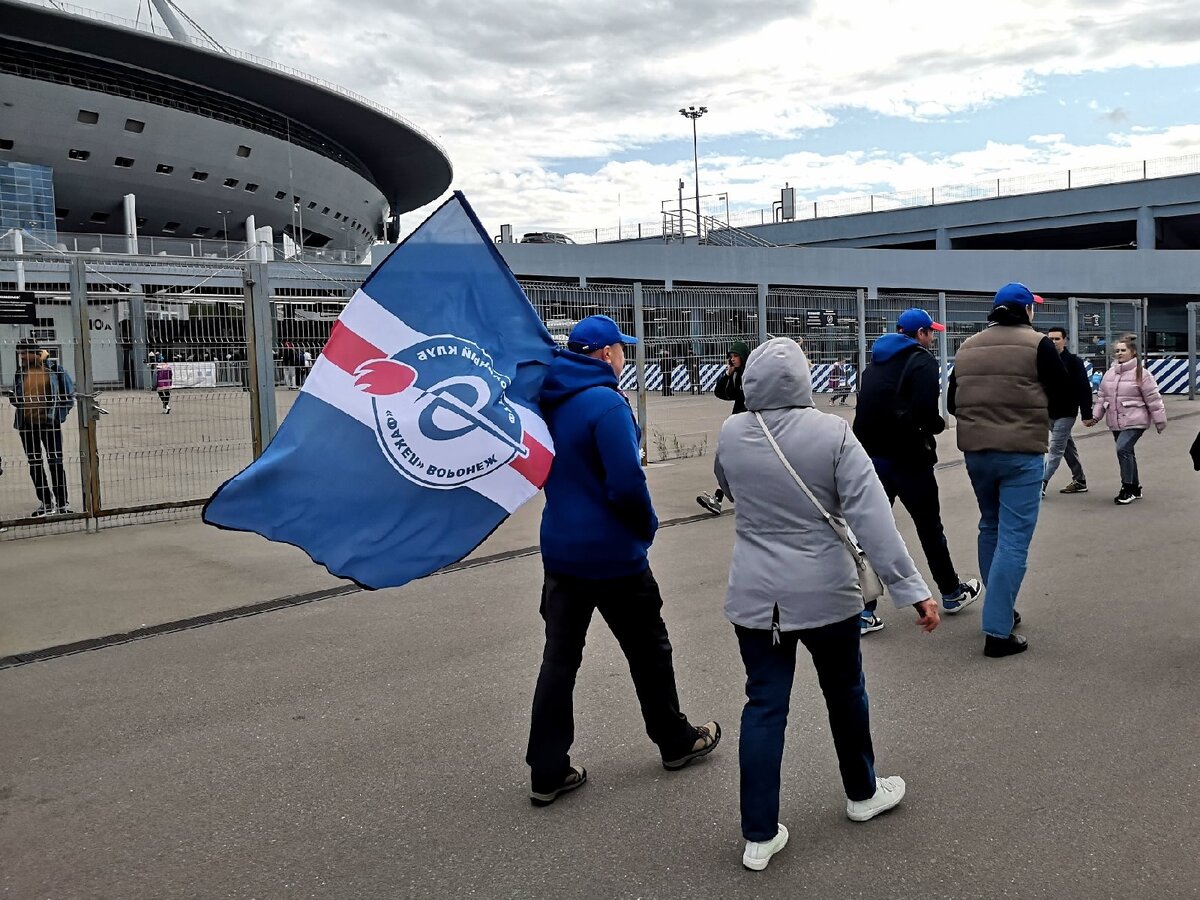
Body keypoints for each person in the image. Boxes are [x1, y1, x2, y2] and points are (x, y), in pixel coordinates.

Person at [715, 337, 939, 872]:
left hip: (755, 597)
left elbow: (726, 484)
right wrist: (913, 590)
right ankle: (862, 794)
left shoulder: (731, 432)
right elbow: (872, 520)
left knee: (764, 706)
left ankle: (758, 835)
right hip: (825, 594)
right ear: (802, 381)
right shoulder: (834, 433)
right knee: (845, 692)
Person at [526, 315, 720, 807]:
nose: (624, 357)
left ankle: (547, 769)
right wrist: (646, 527)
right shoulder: (607, 404)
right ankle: (675, 740)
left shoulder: (549, 401)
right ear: (606, 353)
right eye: (621, 349)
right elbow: (627, 483)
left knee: (559, 660)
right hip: (614, 555)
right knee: (648, 651)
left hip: (563, 552)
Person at [948, 283, 1070, 658]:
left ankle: (1000, 607)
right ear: (1026, 311)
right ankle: (997, 632)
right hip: (1021, 452)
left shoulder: (967, 347)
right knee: (1015, 537)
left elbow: (953, 401)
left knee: (990, 526)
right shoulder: (1038, 344)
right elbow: (1063, 396)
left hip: (977, 453)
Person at [853, 308, 980, 633]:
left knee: (870, 531)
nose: (933, 337)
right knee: (928, 528)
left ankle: (863, 611)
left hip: (873, 459)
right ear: (920, 334)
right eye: (930, 332)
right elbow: (925, 412)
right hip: (909, 459)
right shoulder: (922, 361)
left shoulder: (875, 362)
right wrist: (937, 425)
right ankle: (951, 592)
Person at [1086, 333, 1167, 504]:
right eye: (1117, 351)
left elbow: (1153, 398)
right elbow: (1102, 398)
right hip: (1115, 421)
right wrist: (1095, 417)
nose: (1120, 353)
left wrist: (1160, 420)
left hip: (1135, 420)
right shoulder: (1110, 373)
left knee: (1122, 449)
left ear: (1133, 353)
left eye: (1123, 350)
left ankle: (1127, 488)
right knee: (1127, 452)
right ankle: (1136, 487)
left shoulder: (1142, 374)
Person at [9, 339, 75, 517]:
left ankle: (62, 504)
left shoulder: (54, 370)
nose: (21, 357)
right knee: (35, 463)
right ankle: (46, 502)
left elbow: (68, 394)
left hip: (49, 424)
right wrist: (15, 399)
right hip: (27, 425)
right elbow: (18, 396)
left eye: (24, 353)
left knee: (56, 462)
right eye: (20, 354)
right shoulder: (21, 372)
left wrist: (58, 416)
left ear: (34, 353)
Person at [697, 340, 749, 516]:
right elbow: (723, 394)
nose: (733, 359)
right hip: (738, 424)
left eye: (735, 356)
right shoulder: (736, 375)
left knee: (736, 463)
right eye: (731, 357)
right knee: (730, 462)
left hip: (749, 425)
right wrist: (727, 375)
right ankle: (718, 498)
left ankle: (720, 498)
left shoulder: (751, 375)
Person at [1041, 327, 1094, 497]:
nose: (1054, 342)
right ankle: (1080, 480)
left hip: (1066, 412)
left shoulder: (1073, 362)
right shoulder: (1042, 361)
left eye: (1057, 339)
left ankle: (1041, 483)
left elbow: (1084, 388)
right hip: (1048, 412)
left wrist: (1086, 414)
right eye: (1050, 339)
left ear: (1065, 340)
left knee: (1056, 448)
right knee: (1066, 446)